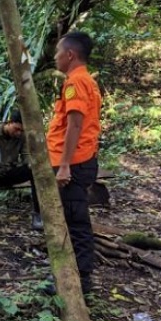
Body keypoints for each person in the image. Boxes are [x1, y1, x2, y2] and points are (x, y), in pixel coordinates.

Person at [46, 31, 102, 294]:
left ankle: (82, 282)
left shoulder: (76, 82)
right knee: (70, 219)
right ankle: (70, 275)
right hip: (78, 160)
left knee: (76, 221)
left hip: (74, 163)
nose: (55, 57)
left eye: (58, 52)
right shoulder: (84, 80)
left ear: (70, 55)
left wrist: (65, 165)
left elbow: (75, 125)